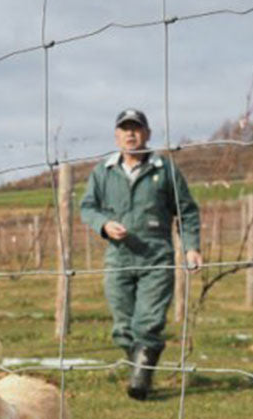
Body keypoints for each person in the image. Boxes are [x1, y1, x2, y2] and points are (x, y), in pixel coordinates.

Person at [79, 108, 202, 400]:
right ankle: (142, 365)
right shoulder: (103, 171)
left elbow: (186, 211)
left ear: (147, 134)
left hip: (156, 255)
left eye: (136, 128)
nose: (131, 134)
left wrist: (191, 247)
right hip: (118, 256)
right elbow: (87, 207)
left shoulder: (164, 169)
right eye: (125, 129)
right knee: (122, 326)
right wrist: (104, 225)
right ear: (116, 135)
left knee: (148, 321)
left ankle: (139, 384)